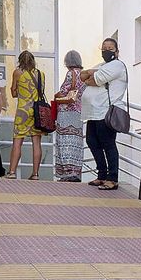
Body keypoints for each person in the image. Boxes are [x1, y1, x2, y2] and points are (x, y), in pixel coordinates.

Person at [82, 37, 130, 190]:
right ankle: (101, 174)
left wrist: (92, 74)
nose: (106, 51)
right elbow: (83, 77)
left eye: (110, 48)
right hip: (94, 112)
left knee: (108, 144)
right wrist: (91, 73)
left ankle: (113, 178)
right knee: (92, 141)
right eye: (104, 48)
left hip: (106, 111)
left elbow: (96, 79)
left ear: (116, 51)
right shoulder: (102, 65)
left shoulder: (118, 65)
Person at [7, 50, 45, 180]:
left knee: (18, 141)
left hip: (23, 111)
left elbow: (13, 92)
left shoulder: (18, 72)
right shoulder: (41, 74)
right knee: (36, 142)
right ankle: (35, 174)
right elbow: (41, 92)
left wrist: (21, 93)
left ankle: (12, 172)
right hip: (37, 112)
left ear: (20, 61)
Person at [52, 51, 87, 182]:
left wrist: (56, 96)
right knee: (76, 142)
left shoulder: (70, 73)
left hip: (66, 112)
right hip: (78, 112)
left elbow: (63, 93)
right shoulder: (83, 75)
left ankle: (67, 173)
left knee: (65, 141)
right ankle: (76, 172)